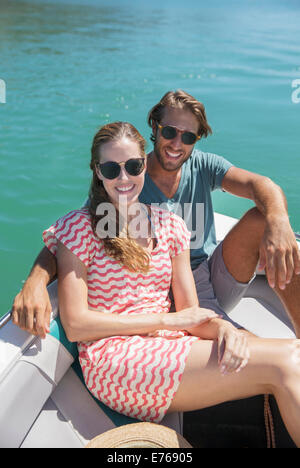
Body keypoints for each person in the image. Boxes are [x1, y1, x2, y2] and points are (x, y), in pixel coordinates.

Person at [38, 121, 300, 446]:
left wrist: (223, 330)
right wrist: (167, 320)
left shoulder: (170, 225)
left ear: (144, 165)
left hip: (168, 343)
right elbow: (77, 325)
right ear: (97, 171)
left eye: (132, 166)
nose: (123, 178)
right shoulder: (79, 228)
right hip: (115, 361)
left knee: (293, 355)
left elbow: (190, 312)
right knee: (288, 362)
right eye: (111, 168)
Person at [12, 90, 300, 338]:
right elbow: (77, 233)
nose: (177, 144)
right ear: (155, 127)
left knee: (267, 223)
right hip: (163, 288)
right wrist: (35, 281)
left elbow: (259, 185)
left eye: (188, 136)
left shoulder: (203, 165)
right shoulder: (127, 180)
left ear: (197, 139)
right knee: (242, 343)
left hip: (209, 273)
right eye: (169, 132)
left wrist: (279, 221)